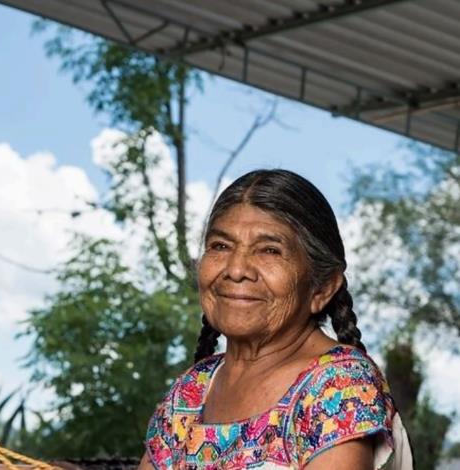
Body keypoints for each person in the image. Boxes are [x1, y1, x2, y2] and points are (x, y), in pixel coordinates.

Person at [139, 170, 411, 469]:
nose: (236, 269)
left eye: (269, 250)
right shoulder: (191, 390)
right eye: (221, 246)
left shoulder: (339, 385)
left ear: (321, 287)